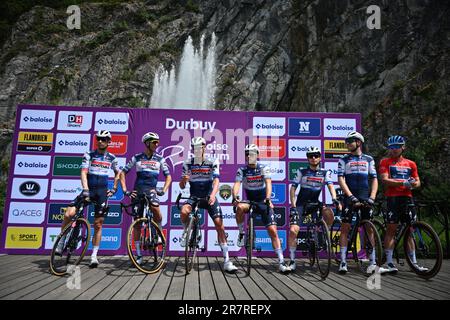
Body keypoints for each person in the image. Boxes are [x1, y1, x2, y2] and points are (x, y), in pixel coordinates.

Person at [55, 130, 121, 268]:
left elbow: (118, 173)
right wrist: (85, 189)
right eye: (99, 139)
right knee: (69, 214)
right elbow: (83, 172)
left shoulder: (112, 158)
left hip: (101, 193)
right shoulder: (89, 154)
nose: (101, 141)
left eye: (104, 139)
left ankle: (94, 256)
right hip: (88, 190)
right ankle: (60, 242)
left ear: (109, 142)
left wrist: (114, 188)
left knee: (98, 224)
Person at [179, 137, 238, 273]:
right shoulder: (187, 163)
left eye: (200, 147)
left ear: (204, 148)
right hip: (194, 196)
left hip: (208, 196)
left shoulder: (212, 160)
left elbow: (217, 180)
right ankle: (186, 231)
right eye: (195, 148)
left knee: (219, 225)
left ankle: (227, 261)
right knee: (183, 211)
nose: (198, 150)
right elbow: (182, 186)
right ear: (193, 149)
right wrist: (183, 179)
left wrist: (213, 195)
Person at [232, 144, 291, 273]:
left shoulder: (264, 168)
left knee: (273, 231)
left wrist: (268, 198)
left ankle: (281, 261)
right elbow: (236, 185)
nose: (249, 156)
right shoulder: (242, 170)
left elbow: (269, 184)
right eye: (247, 153)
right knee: (240, 207)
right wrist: (235, 196)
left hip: (263, 201)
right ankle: (242, 233)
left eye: (252, 153)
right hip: (249, 202)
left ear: (257, 155)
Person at [119, 132, 171, 265]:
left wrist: (164, 190)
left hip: (151, 191)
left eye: (157, 142)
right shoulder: (136, 158)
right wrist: (125, 190)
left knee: (157, 213)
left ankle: (158, 237)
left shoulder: (160, 159)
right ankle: (138, 255)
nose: (157, 144)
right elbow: (122, 173)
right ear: (147, 143)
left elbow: (168, 177)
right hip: (138, 192)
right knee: (137, 224)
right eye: (154, 142)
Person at [378, 135, 427, 273]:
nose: (394, 150)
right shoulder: (385, 162)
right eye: (391, 147)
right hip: (392, 199)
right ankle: (389, 262)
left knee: (410, 231)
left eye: (397, 147)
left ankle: (414, 263)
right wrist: (403, 183)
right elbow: (385, 180)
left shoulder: (411, 164)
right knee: (391, 230)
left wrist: (413, 184)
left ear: (403, 147)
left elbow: (418, 182)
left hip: (407, 198)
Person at [288, 146, 342, 271]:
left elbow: (330, 186)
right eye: (311, 156)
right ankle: (292, 260)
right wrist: (293, 205)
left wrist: (334, 198)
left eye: (316, 155)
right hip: (301, 204)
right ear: (307, 158)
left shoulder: (324, 172)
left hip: (315, 203)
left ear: (319, 157)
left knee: (328, 212)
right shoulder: (302, 171)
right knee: (292, 231)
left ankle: (324, 234)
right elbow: (293, 188)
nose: (313, 158)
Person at [337, 131, 379, 274]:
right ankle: (343, 261)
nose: (347, 144)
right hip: (350, 197)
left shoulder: (369, 159)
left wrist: (372, 197)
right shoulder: (343, 159)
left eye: (350, 141)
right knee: (345, 227)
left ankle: (373, 261)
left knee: (369, 228)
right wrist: (350, 196)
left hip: (365, 196)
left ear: (359, 143)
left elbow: (374, 179)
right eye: (346, 141)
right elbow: (341, 180)